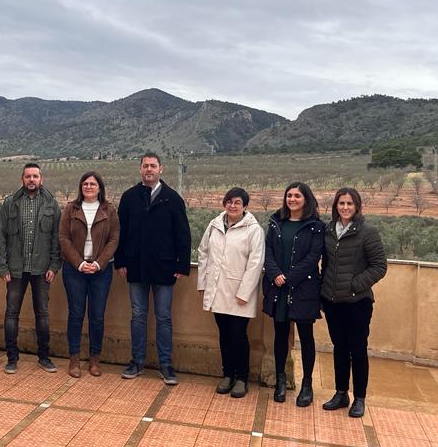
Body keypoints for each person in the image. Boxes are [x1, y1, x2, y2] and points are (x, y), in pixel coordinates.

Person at [114, 152, 191, 385]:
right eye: (145, 166)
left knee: (164, 318)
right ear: (140, 169)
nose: (149, 169)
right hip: (135, 266)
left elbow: (183, 234)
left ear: (161, 169)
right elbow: (121, 233)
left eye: (153, 166)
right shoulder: (129, 198)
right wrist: (120, 261)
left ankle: (166, 365)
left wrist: (181, 264)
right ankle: (136, 361)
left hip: (165, 268)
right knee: (137, 316)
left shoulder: (172, 198)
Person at [320, 187, 387, 418]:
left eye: (349, 203)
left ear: (357, 206)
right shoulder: (329, 231)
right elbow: (326, 264)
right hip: (332, 301)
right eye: (341, 204)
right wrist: (323, 289)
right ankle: (341, 393)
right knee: (339, 348)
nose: (345, 207)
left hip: (357, 303)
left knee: (357, 349)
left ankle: (359, 398)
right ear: (335, 206)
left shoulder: (368, 232)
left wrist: (354, 285)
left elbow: (379, 267)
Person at [0, 163, 63, 373]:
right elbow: (1, 238)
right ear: (22, 179)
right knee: (11, 314)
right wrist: (2, 266)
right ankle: (12, 358)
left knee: (42, 315)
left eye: (35, 176)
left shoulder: (52, 204)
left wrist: (54, 265)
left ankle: (44, 357)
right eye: (27, 176)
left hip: (42, 270)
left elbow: (56, 239)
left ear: (41, 179)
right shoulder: (9, 204)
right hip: (15, 269)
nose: (31, 180)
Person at [197, 187, 265, 398]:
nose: (232, 206)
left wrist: (244, 292)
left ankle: (242, 378)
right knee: (224, 335)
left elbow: (256, 263)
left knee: (238, 335)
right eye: (229, 202)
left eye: (237, 202)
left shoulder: (254, 230)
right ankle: (227, 374)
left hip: (239, 293)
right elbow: (203, 253)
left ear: (245, 206)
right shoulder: (215, 224)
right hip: (217, 290)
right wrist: (203, 284)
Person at [262, 181, 325, 406]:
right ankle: (281, 380)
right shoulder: (276, 222)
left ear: (305, 199)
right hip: (278, 288)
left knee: (306, 338)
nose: (292, 200)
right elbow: (267, 250)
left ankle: (307, 385)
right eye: (289, 195)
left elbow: (313, 257)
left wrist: (290, 277)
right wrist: (274, 273)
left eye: (297, 196)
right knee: (280, 336)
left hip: (304, 289)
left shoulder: (316, 226)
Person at [59, 172, 120, 377]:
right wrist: (79, 263)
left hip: (100, 272)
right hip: (74, 270)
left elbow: (114, 239)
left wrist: (99, 263)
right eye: (85, 183)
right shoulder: (71, 208)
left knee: (97, 316)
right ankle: (74, 358)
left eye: (92, 183)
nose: (88, 186)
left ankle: (95, 359)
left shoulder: (109, 210)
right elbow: (64, 238)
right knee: (75, 314)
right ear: (80, 187)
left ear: (100, 187)